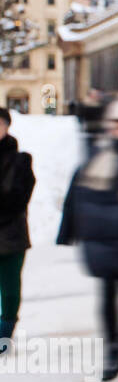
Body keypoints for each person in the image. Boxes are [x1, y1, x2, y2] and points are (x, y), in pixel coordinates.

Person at [55, 94, 118, 382]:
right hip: (104, 238)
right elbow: (77, 192)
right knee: (109, 294)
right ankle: (112, 349)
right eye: (115, 123)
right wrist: (69, 231)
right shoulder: (98, 150)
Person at [0, 107, 35, 352]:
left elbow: (19, 197)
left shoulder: (21, 160)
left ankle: (3, 336)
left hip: (10, 235)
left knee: (10, 289)